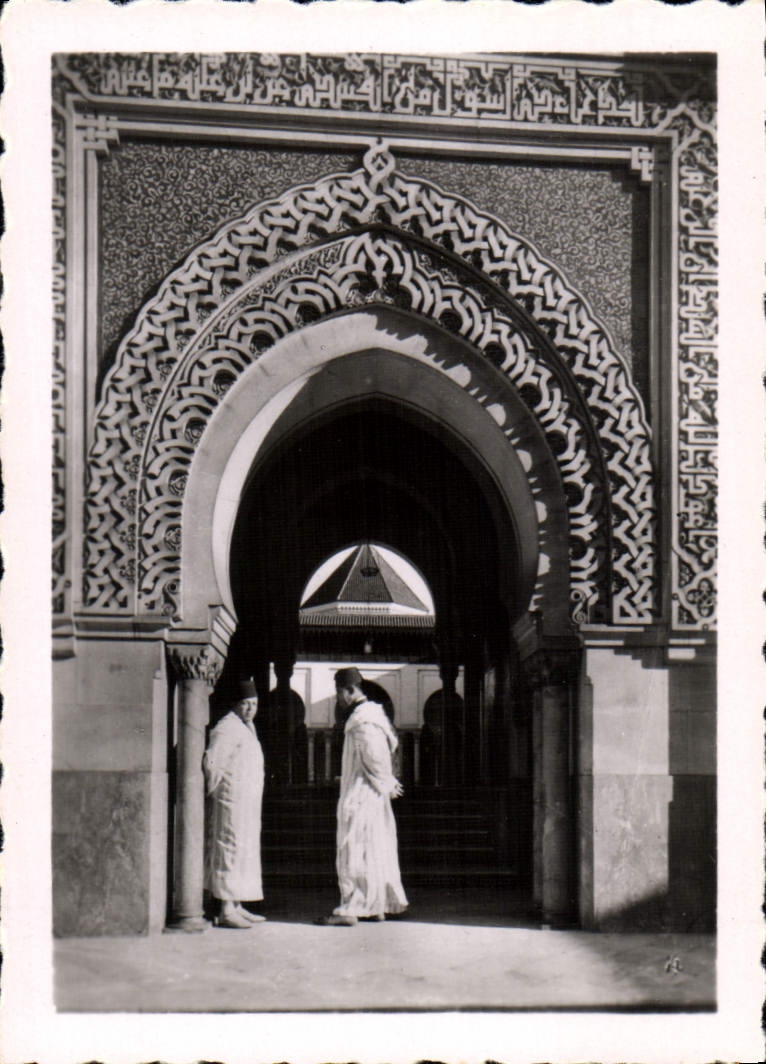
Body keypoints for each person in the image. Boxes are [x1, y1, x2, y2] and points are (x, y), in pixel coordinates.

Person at [316, 667, 408, 926]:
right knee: (371, 849)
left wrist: (386, 782)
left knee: (355, 848)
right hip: (370, 793)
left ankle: (352, 909)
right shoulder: (372, 714)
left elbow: (374, 756)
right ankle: (373, 905)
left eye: (338, 693)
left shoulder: (363, 718)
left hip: (363, 794)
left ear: (349, 690)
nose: (338, 699)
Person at [203, 678, 266, 928]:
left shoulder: (246, 728)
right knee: (229, 849)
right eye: (245, 704)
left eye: (254, 704)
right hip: (230, 801)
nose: (250, 709)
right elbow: (212, 763)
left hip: (246, 803)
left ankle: (237, 903)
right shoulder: (226, 728)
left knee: (243, 851)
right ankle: (225, 908)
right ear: (235, 705)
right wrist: (212, 793)